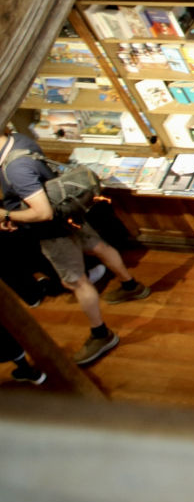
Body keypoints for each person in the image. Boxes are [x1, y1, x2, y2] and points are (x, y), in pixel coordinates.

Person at [0, 132, 151, 366]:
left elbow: (42, 213)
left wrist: (7, 214)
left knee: (75, 282)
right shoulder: (19, 141)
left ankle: (101, 335)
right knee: (98, 246)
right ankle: (131, 286)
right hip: (69, 211)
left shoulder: (14, 169)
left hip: (52, 229)